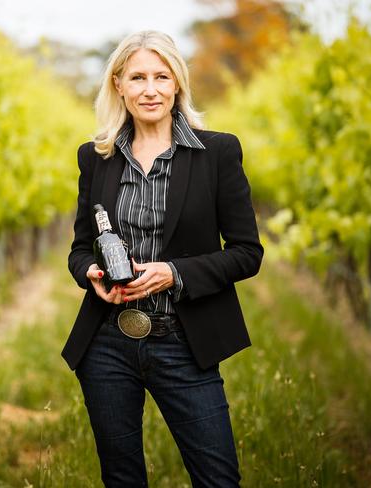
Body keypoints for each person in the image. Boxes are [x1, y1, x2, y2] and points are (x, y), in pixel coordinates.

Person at [62, 30, 264, 487]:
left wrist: (174, 274)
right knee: (122, 478)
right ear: (119, 85)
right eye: (137, 77)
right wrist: (89, 272)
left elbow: (248, 253)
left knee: (218, 479)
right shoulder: (96, 157)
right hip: (107, 344)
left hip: (184, 343)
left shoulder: (217, 153)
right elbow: (79, 248)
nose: (149, 89)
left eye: (161, 76)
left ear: (177, 83)